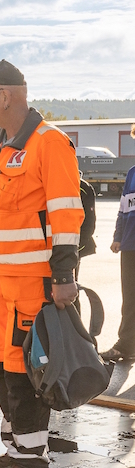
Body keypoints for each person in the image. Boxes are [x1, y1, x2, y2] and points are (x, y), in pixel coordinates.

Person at [0, 60, 83, 468]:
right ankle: (15, 451)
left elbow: (66, 213)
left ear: (8, 95)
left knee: (26, 376)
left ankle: (31, 466)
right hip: (0, 286)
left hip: (34, 285)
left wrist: (64, 275)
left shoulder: (49, 144)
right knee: (4, 371)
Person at [103, 155, 135, 362]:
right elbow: (123, 210)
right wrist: (117, 237)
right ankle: (127, 344)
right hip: (130, 246)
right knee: (130, 298)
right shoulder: (132, 173)